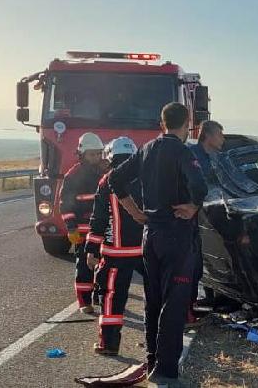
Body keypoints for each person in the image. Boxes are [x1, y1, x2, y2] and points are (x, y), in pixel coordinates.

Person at [109, 102, 207, 387]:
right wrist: (193, 206)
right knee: (174, 303)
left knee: (153, 302)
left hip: (150, 236)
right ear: (186, 124)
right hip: (176, 236)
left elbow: (116, 179)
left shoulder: (147, 149)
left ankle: (152, 359)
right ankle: (166, 371)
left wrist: (136, 213)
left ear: (161, 122)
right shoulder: (182, 151)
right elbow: (200, 186)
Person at [85, 137, 146, 356]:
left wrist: (91, 249)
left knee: (111, 297)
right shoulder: (146, 177)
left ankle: (109, 344)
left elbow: (98, 219)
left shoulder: (106, 181)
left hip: (115, 253)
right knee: (158, 294)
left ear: (110, 157)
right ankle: (158, 344)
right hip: (146, 251)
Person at [60, 132, 104, 314]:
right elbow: (65, 204)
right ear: (82, 154)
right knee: (84, 266)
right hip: (82, 230)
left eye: (98, 153)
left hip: (100, 229)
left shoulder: (103, 172)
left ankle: (99, 296)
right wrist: (71, 227)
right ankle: (84, 302)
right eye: (92, 154)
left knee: (102, 264)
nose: (96, 157)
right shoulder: (73, 175)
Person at [186, 120, 224, 326]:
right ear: (208, 136)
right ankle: (186, 312)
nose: (223, 139)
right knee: (188, 267)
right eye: (220, 134)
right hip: (188, 218)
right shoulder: (190, 153)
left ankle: (197, 304)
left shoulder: (217, 158)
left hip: (206, 218)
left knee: (198, 267)